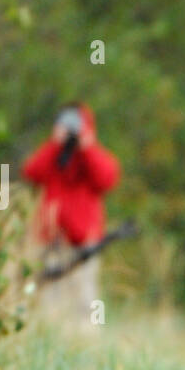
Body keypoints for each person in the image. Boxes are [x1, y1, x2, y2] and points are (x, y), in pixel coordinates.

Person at [22, 103, 120, 315]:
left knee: (85, 298)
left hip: (84, 241)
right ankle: (51, 335)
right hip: (51, 239)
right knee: (49, 296)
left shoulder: (92, 155)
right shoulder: (53, 155)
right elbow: (31, 172)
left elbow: (107, 179)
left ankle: (88, 340)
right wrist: (54, 144)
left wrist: (87, 148)